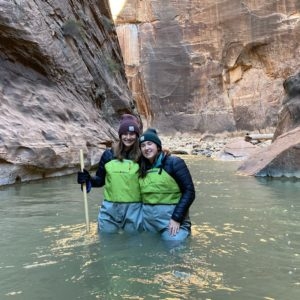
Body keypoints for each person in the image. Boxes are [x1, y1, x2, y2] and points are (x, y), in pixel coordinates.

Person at [77, 114, 142, 234]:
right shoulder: (108, 155)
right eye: (125, 134)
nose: (128, 137)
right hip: (110, 209)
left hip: (134, 210)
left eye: (132, 134)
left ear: (137, 136)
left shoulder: (143, 156)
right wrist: (88, 179)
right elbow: (100, 181)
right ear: (120, 135)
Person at [138, 128, 195, 242]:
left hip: (172, 223)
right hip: (149, 224)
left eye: (150, 144)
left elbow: (189, 191)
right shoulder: (141, 167)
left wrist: (176, 218)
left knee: (172, 245)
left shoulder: (174, 162)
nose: (146, 148)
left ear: (158, 146)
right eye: (143, 145)